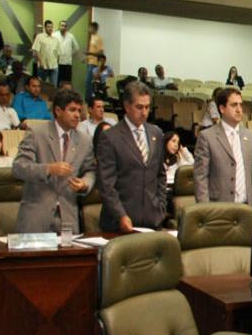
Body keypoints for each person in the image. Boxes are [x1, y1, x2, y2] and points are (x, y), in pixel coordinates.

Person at [12, 88, 95, 233]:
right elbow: (19, 167)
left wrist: (85, 184)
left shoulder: (85, 140)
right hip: (36, 217)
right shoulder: (37, 133)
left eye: (79, 110)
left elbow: (90, 170)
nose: (77, 115)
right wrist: (49, 169)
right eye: (72, 110)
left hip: (68, 218)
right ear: (58, 111)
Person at [96, 81, 166, 232]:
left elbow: (160, 174)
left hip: (151, 220)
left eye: (147, 107)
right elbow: (106, 185)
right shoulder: (110, 137)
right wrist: (120, 215)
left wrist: (160, 207)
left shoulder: (156, 133)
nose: (144, 112)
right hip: (120, 223)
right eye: (139, 107)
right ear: (127, 106)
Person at [193, 87, 252, 220]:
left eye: (240, 105)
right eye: (233, 105)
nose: (239, 109)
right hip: (218, 209)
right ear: (222, 108)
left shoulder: (250, 136)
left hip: (246, 209)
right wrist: (204, 210)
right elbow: (200, 176)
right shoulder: (206, 137)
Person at [31, 20, 59, 84]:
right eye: (48, 27)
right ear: (45, 27)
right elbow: (36, 50)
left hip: (54, 67)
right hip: (43, 66)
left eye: (51, 27)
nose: (50, 28)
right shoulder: (39, 37)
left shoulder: (55, 39)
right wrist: (41, 62)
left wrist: (56, 62)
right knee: (41, 86)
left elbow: (57, 53)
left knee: (54, 87)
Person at [55, 20, 79, 87]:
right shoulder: (55, 35)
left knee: (67, 82)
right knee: (58, 82)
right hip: (57, 63)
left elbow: (76, 47)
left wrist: (69, 54)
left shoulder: (70, 36)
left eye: (65, 26)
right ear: (59, 26)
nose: (63, 27)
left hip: (68, 63)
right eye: (62, 25)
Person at [84, 22, 103, 101]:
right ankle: (88, 101)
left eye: (90, 27)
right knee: (88, 83)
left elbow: (101, 53)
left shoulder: (98, 38)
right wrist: (86, 58)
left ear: (94, 28)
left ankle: (89, 102)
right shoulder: (92, 37)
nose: (88, 29)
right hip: (90, 63)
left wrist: (89, 53)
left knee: (89, 83)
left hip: (94, 64)